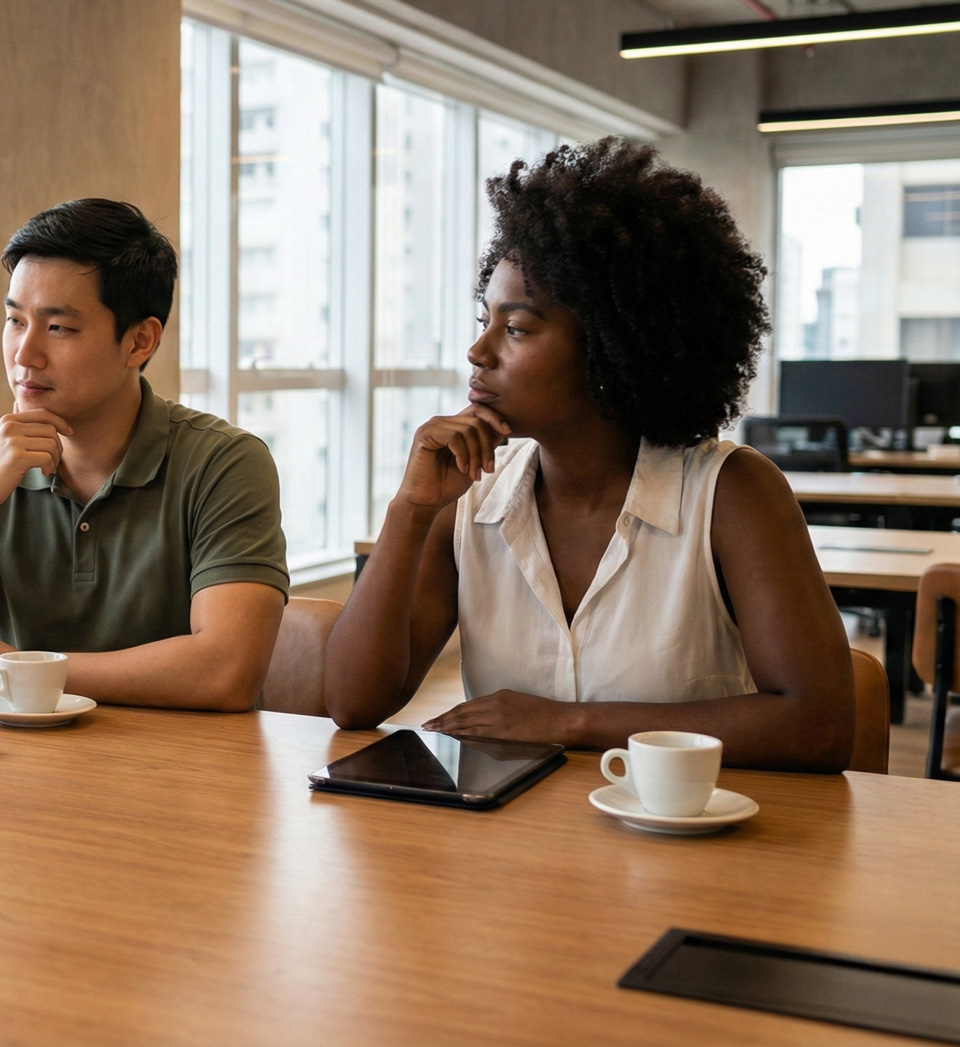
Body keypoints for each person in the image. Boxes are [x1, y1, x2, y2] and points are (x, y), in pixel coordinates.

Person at [324, 138, 852, 772]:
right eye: (483, 319)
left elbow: (818, 725)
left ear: (612, 349)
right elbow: (352, 702)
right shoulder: (468, 494)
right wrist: (409, 511)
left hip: (693, 851)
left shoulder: (734, 494)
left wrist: (568, 722)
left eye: (515, 328)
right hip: (519, 845)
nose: (478, 352)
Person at [0, 199, 288, 712]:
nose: (24, 355)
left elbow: (227, 671)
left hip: (185, 773)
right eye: (15, 320)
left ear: (139, 341)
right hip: (27, 768)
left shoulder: (225, 463)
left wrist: (23, 669)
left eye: (58, 328)